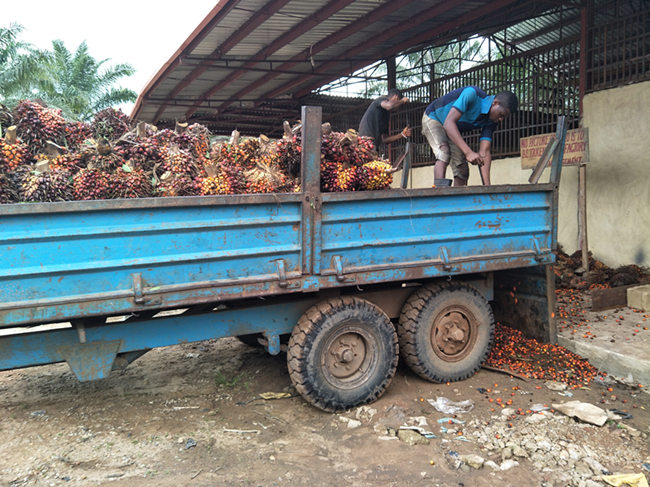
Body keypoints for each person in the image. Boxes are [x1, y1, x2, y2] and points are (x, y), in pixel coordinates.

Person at [422, 86, 518, 186]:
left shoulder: (492, 121)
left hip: (451, 129)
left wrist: (487, 187)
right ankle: (438, 195)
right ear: (495, 103)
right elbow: (449, 123)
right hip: (434, 117)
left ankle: (459, 201)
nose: (501, 119)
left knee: (462, 169)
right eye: (501, 114)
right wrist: (468, 152)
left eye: (504, 118)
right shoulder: (472, 93)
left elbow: (484, 151)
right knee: (444, 151)